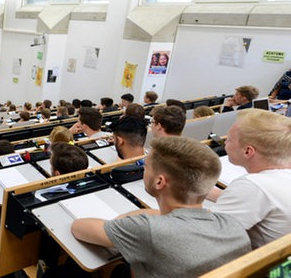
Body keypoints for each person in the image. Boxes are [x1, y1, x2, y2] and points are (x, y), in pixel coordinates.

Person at [71, 136, 250, 277]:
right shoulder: (234, 226)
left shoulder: (147, 229)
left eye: (146, 166)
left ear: (159, 181)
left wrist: (131, 218)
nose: (143, 169)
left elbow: (78, 228)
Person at [0, 141, 87, 276]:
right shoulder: (87, 190)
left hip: (16, 236)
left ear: (57, 174)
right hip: (44, 242)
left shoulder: (41, 196)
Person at [209, 109, 291, 249]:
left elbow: (206, 233)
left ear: (248, 151)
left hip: (264, 268)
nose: (225, 143)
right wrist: (204, 190)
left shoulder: (252, 186)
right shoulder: (278, 178)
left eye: (229, 139)